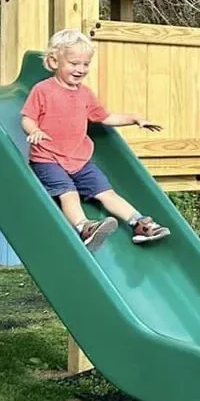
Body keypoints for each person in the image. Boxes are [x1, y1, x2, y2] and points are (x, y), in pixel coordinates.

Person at [21, 29, 171, 249]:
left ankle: (138, 223)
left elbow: (106, 117)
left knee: (107, 193)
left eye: (85, 64)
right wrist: (33, 130)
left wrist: (134, 118)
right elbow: (27, 117)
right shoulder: (42, 90)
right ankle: (84, 228)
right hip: (47, 159)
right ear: (54, 61)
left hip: (80, 160)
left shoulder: (85, 94)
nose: (80, 69)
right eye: (74, 63)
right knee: (68, 193)